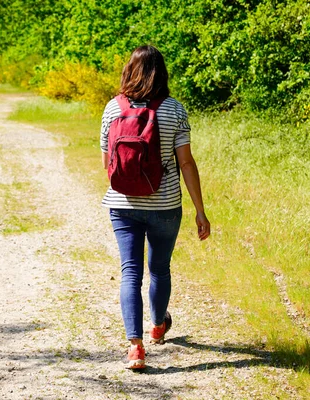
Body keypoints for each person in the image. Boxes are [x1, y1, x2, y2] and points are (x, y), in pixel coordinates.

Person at [100, 45, 210, 370]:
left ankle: (135, 347)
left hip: (122, 204)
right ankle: (158, 326)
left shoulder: (112, 108)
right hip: (165, 206)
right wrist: (200, 210)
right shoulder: (174, 110)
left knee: (129, 272)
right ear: (162, 73)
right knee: (159, 269)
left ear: (129, 71)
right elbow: (186, 163)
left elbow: (107, 162)